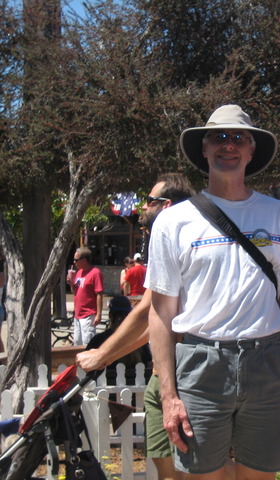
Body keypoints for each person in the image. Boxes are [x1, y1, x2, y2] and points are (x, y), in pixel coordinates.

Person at [146, 104, 280, 479]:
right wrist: (169, 395)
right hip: (201, 365)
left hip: (267, 363)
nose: (228, 144)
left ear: (251, 150)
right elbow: (161, 313)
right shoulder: (174, 220)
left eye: (239, 137)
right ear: (204, 149)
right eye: (218, 136)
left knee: (260, 476)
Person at [76, 172, 195, 480]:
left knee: (197, 471)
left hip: (187, 375)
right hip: (161, 375)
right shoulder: (163, 240)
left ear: (166, 205)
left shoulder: (181, 239)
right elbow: (152, 322)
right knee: (165, 467)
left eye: (150, 201)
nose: (143, 207)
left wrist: (101, 355)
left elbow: (146, 312)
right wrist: (107, 356)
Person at [85, 295, 152, 377]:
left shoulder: (98, 340)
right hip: (139, 383)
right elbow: (148, 362)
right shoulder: (139, 340)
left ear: (110, 315)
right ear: (130, 315)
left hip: (106, 384)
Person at [66, 247, 103, 345]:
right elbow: (75, 291)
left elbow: (99, 294)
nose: (74, 262)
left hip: (88, 314)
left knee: (87, 343)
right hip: (78, 314)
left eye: (76, 260)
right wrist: (71, 284)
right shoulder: (78, 272)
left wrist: (98, 315)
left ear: (84, 260)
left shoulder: (95, 272)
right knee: (77, 342)